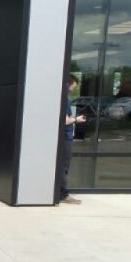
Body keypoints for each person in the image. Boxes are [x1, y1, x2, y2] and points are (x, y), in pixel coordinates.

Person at [59, 74, 86, 205]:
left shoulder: (61, 97)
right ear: (67, 84)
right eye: (73, 88)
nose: (73, 90)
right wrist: (77, 119)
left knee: (62, 166)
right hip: (65, 137)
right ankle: (63, 194)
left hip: (64, 136)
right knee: (63, 166)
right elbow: (64, 120)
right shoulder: (65, 99)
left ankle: (59, 193)